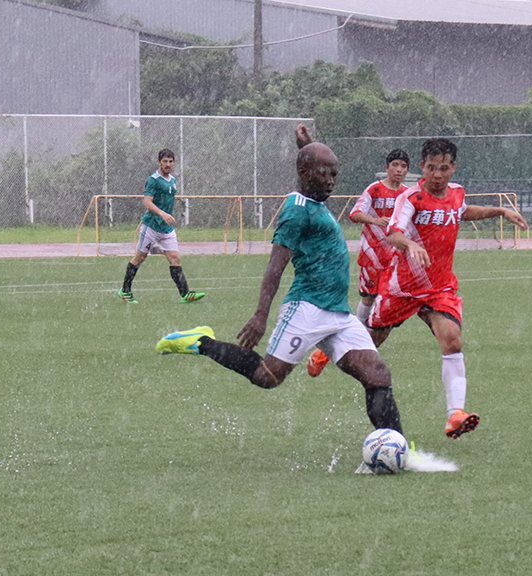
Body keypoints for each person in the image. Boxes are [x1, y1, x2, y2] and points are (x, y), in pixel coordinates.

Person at [155, 128, 404, 440]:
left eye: (334, 174)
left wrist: (307, 146)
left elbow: (310, 167)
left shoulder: (313, 196)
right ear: (304, 172)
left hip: (338, 315)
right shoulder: (296, 213)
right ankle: (201, 342)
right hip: (307, 308)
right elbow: (275, 266)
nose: (331, 180)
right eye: (325, 173)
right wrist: (261, 315)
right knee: (268, 376)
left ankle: (399, 448)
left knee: (377, 374)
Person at [368, 138, 528, 439]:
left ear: (453, 167)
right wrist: (411, 243)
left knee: (452, 341)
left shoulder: (456, 194)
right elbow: (393, 233)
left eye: (444, 168)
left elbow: (463, 211)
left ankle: (455, 414)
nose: (437, 175)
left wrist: (501, 212)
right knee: (368, 344)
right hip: (403, 287)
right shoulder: (411, 198)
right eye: (431, 168)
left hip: (440, 288)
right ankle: (332, 348)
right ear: (422, 167)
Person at [307, 148, 410, 378]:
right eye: (395, 165)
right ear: (387, 167)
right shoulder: (375, 189)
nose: (399, 170)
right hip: (373, 254)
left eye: (403, 166)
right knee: (370, 298)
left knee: (391, 308)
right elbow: (354, 214)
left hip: (396, 258)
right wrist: (375, 220)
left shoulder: (408, 194)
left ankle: (357, 348)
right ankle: (345, 348)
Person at [117, 149, 205, 304]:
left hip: (166, 229)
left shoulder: (172, 180)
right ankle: (125, 291)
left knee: (175, 258)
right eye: (165, 161)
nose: (168, 164)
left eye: (171, 161)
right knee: (140, 258)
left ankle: (185, 294)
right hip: (151, 226)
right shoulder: (153, 180)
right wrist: (163, 213)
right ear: (159, 162)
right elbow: (147, 202)